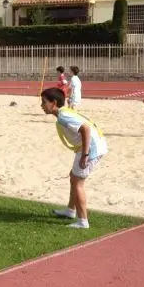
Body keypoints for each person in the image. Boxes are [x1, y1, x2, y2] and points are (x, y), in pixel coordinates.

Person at [41, 87, 107, 230]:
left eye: (44, 102)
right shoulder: (63, 113)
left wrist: (85, 154)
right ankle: (70, 210)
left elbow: (85, 129)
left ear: (53, 103)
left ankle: (83, 221)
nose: (42, 105)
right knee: (74, 176)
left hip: (91, 148)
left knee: (78, 183)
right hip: (90, 146)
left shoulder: (63, 116)